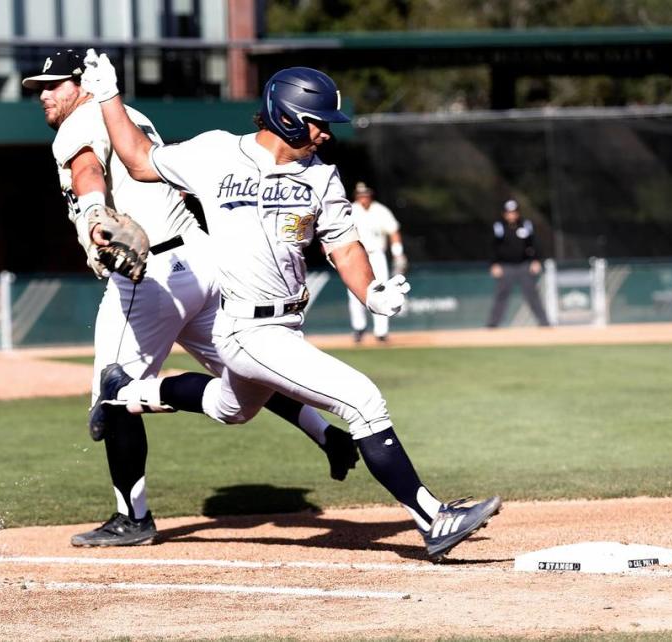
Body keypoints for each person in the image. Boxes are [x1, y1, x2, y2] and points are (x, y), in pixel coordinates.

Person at [82, 53, 501, 561]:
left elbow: (344, 245)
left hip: (285, 325)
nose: (326, 133)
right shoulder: (216, 153)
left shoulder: (322, 176)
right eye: (319, 122)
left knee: (226, 408)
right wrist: (109, 96)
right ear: (286, 114)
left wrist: (369, 292)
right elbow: (139, 158)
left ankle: (125, 389)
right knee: (363, 401)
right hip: (247, 331)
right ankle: (434, 518)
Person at [22, 50, 359, 547]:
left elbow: (87, 170)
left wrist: (94, 216)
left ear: (83, 84)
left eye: (54, 85)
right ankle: (326, 435)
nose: (45, 95)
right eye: (38, 88)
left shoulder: (82, 120)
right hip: (200, 263)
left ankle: (131, 518)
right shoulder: (130, 117)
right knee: (244, 368)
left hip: (149, 276)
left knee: (115, 396)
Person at [347, 181, 407, 343]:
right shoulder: (350, 210)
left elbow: (393, 231)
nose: (363, 197)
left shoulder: (380, 210)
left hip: (376, 254)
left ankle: (381, 332)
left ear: (370, 195)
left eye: (366, 194)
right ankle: (358, 328)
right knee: (354, 292)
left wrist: (398, 254)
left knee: (383, 291)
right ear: (356, 196)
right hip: (357, 255)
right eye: (360, 195)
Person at [486, 199, 550, 328]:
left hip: (524, 265)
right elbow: (493, 247)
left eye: (514, 212)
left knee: (532, 294)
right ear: (504, 214)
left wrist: (536, 260)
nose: (512, 215)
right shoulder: (499, 227)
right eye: (509, 212)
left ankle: (544, 323)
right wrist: (494, 264)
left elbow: (534, 244)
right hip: (506, 266)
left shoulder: (525, 225)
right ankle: (493, 325)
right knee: (502, 295)